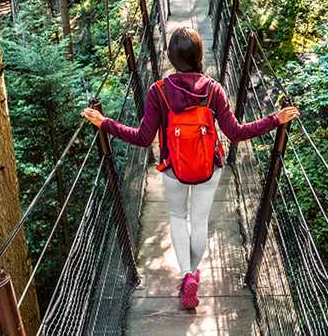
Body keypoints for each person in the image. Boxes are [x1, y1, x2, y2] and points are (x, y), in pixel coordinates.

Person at [81, 27, 299, 309]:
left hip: (174, 168)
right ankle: (192, 274)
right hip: (209, 167)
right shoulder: (213, 89)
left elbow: (143, 138)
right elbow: (235, 132)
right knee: (199, 223)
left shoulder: (158, 92)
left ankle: (186, 274)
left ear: (171, 57)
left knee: (176, 216)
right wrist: (275, 119)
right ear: (199, 55)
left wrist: (105, 123)